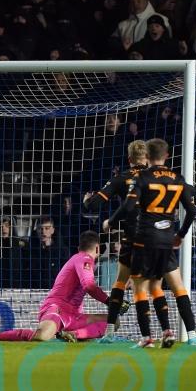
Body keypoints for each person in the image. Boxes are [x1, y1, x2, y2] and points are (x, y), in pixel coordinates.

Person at [105, 138, 196, 348]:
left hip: (144, 239)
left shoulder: (142, 177)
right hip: (167, 240)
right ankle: (184, 334)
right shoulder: (178, 178)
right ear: (167, 155)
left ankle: (147, 337)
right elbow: (192, 210)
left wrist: (110, 222)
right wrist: (181, 234)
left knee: (140, 287)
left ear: (147, 156)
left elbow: (128, 207)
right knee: (167, 286)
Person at [0, 231, 111, 343]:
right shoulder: (84, 258)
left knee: (112, 320)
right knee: (42, 336)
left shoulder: (79, 259)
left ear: (79, 247)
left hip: (74, 316)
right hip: (58, 309)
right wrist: (110, 301)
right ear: (97, 248)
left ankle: (73, 334)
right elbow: (89, 286)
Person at [84, 140, 146, 340]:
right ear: (147, 158)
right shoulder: (157, 177)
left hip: (132, 237)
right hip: (157, 238)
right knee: (156, 287)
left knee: (120, 283)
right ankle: (162, 333)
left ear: (129, 159)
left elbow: (94, 204)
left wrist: (87, 201)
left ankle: (109, 332)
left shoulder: (121, 178)